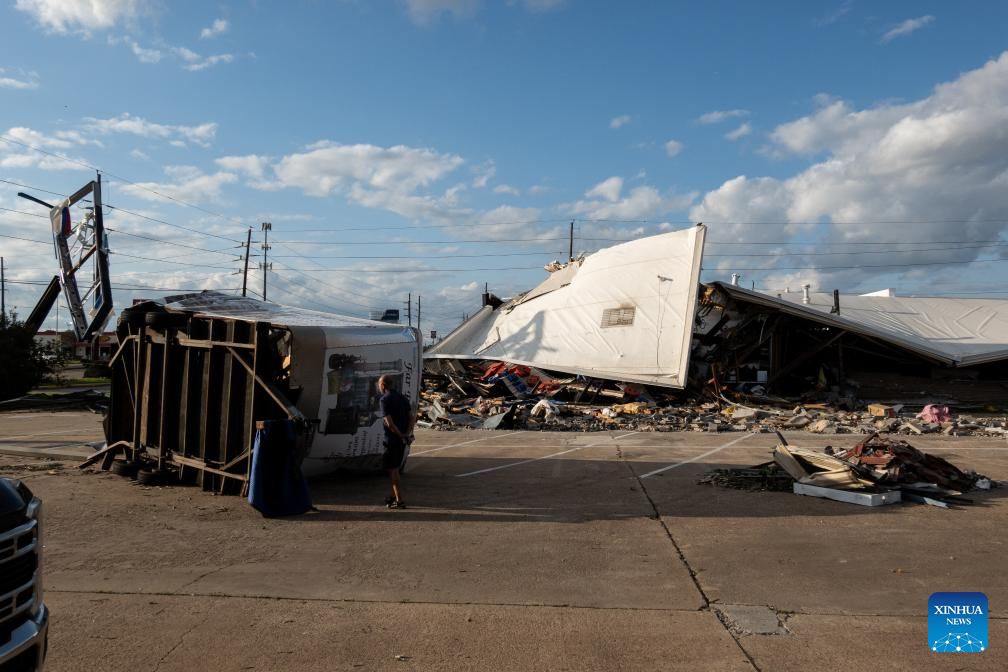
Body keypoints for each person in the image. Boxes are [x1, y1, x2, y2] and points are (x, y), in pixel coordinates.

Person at [377, 374, 413, 509]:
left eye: (379, 384)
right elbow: (411, 418)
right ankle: (392, 497)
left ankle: (399, 500)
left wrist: (400, 435)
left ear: (383, 385)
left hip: (392, 440)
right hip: (402, 440)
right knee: (395, 469)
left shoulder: (384, 400)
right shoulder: (403, 398)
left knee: (393, 470)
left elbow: (390, 423)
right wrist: (406, 434)